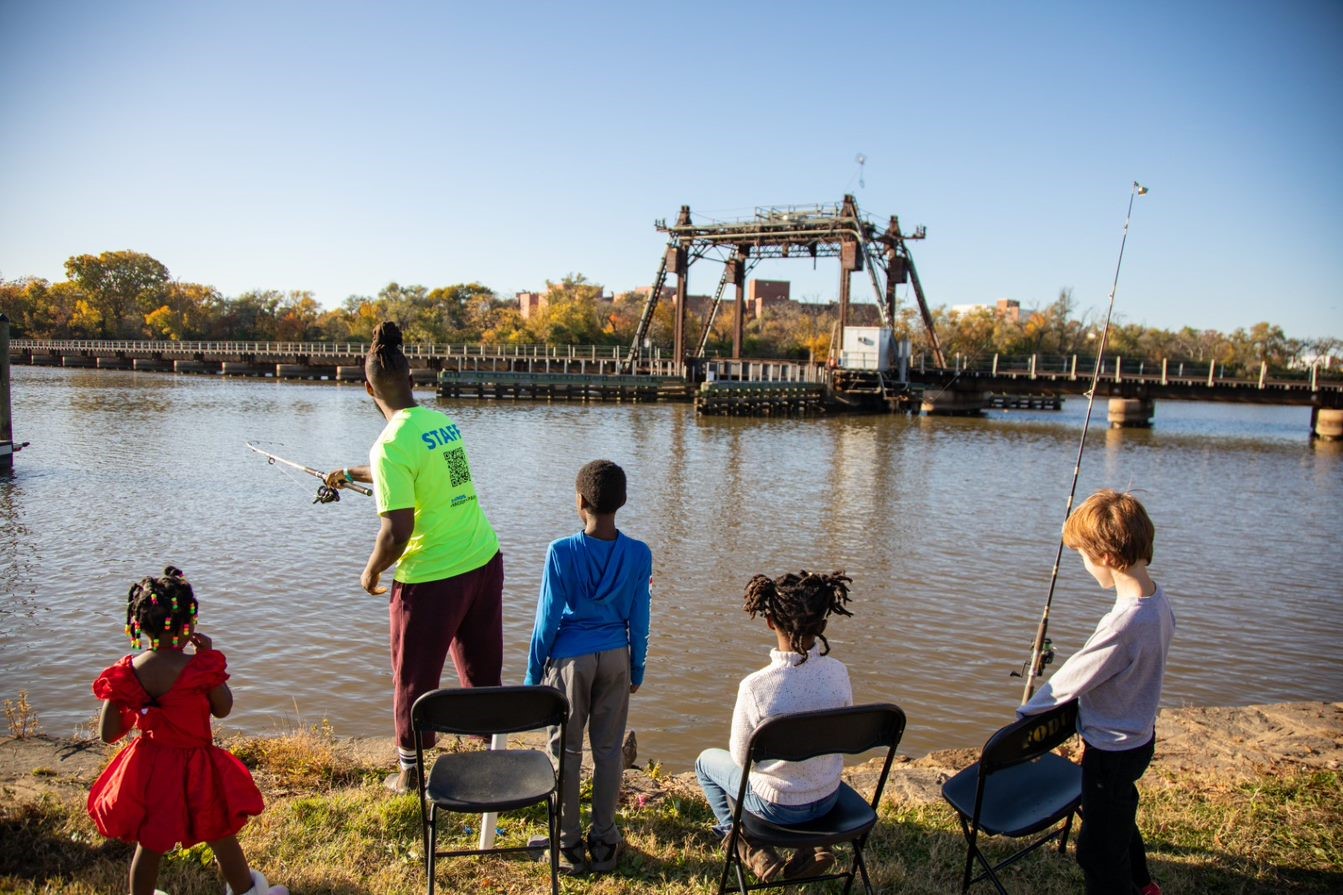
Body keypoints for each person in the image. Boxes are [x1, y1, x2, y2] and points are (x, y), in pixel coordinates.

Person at [326, 321, 504, 792]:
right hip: (484, 560)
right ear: (413, 380)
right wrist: (349, 473)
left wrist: (371, 569)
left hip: (432, 579)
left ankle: (409, 770)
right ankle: (492, 749)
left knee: (413, 676)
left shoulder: (388, 445)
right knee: (481, 668)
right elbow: (405, 471)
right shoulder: (442, 424)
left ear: (368, 389)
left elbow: (397, 531)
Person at [88, 567, 287, 895]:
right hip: (197, 767)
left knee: (149, 843)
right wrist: (207, 660)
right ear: (189, 625)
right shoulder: (199, 670)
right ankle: (248, 892)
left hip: (150, 768)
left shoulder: (126, 674)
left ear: (139, 627)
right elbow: (223, 709)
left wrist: (136, 713)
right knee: (221, 836)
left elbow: (108, 733)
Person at [1018, 489, 1175, 895]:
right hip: (1140, 737)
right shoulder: (1157, 600)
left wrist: (1025, 716)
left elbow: (1071, 679)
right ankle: (1144, 884)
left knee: (1097, 854)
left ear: (1104, 556)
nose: (1086, 568)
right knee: (1117, 816)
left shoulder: (1123, 624)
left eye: (1084, 559)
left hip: (1110, 750)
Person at [523, 459, 652, 875]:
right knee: (610, 751)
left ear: (579, 501)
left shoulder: (561, 551)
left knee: (567, 750)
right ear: (624, 501)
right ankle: (605, 838)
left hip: (569, 660)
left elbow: (546, 618)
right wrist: (637, 669)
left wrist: (532, 675)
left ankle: (567, 843)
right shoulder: (639, 553)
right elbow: (641, 617)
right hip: (616, 655)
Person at [695, 570, 855, 884]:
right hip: (828, 799)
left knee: (705, 762)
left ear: (770, 621)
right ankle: (813, 844)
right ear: (823, 624)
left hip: (777, 808)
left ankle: (746, 843)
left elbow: (742, 760)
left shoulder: (756, 687)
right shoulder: (839, 673)